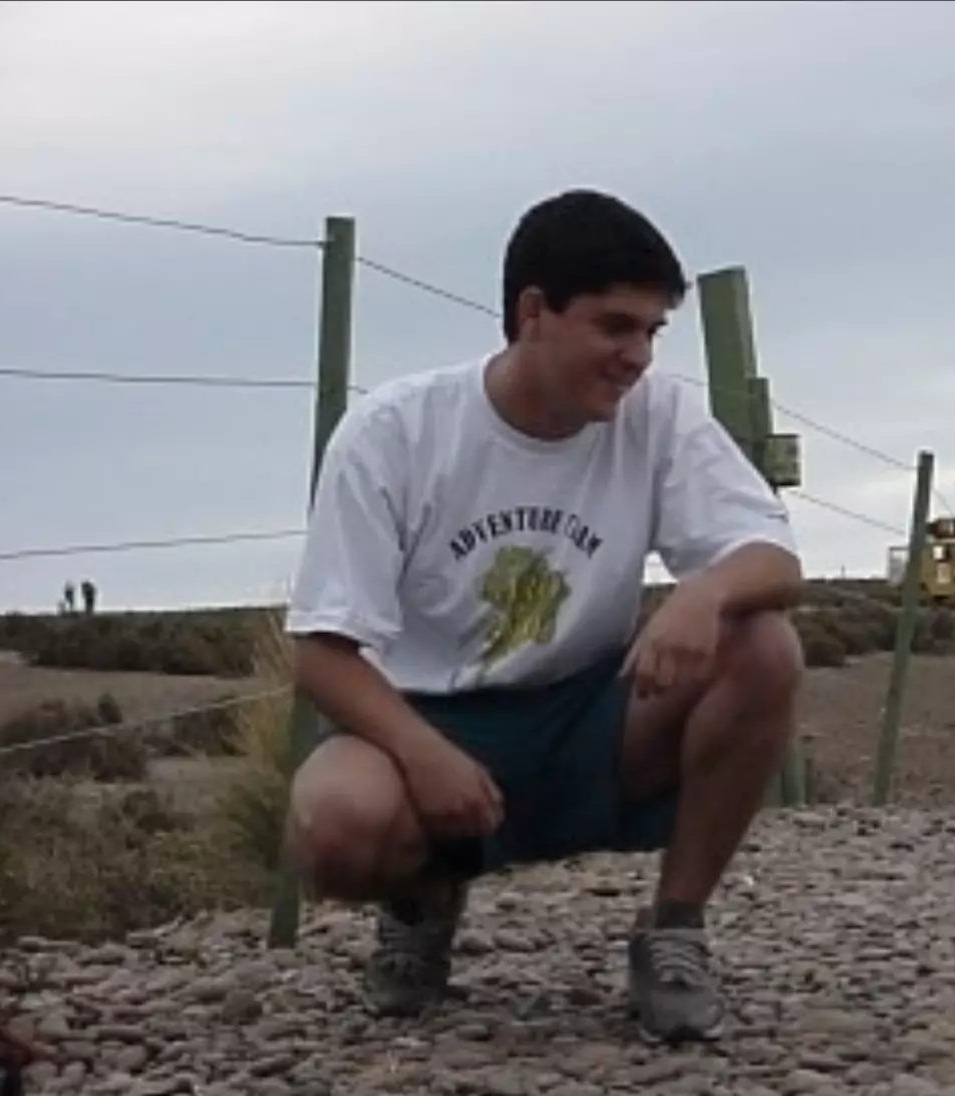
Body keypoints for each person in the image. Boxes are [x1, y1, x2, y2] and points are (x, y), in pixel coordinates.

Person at [281, 188, 805, 1045]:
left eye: (650, 332)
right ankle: (421, 904)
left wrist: (703, 593)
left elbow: (775, 560)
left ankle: (674, 931)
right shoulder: (395, 433)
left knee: (765, 646)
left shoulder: (659, 414)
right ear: (534, 312)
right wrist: (423, 754)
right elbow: (322, 651)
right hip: (427, 722)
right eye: (614, 326)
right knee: (336, 823)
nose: (637, 355)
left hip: (590, 714)